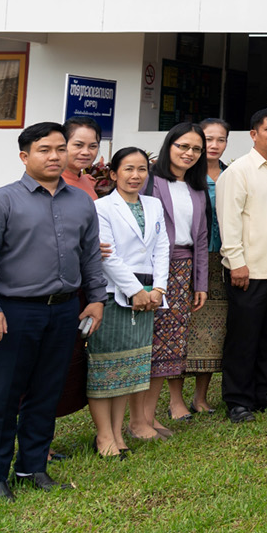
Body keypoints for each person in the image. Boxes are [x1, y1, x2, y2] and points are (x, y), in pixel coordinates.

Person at [0, 123, 105, 497]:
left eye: (60, 148)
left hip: (63, 312)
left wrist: (96, 297)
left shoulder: (80, 201)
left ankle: (32, 468)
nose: (55, 156)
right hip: (12, 312)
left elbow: (90, 253)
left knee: (47, 392)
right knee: (4, 394)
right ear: (25, 156)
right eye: (45, 150)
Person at [217, 107, 267, 423]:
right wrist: (236, 263)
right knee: (243, 338)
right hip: (248, 271)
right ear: (254, 134)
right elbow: (229, 221)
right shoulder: (238, 172)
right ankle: (238, 401)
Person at [88, 147, 170, 453]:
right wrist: (134, 290)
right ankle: (104, 435)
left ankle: (119, 432)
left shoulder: (154, 204)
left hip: (149, 293)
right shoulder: (102, 207)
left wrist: (158, 289)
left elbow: (162, 247)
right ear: (113, 174)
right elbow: (107, 255)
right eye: (128, 169)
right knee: (106, 364)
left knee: (129, 365)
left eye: (142, 170)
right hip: (114, 291)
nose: (136, 176)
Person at [146, 124, 209, 423]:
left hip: (184, 271)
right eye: (183, 146)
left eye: (196, 149)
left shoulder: (196, 188)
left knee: (172, 342)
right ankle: (143, 416)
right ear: (169, 145)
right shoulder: (150, 181)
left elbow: (201, 237)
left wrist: (200, 282)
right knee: (152, 341)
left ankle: (151, 413)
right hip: (153, 271)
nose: (189, 153)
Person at [184, 117, 231, 414]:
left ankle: (201, 397)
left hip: (222, 261)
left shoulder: (231, 173)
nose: (214, 146)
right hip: (188, 259)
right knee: (181, 329)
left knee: (214, 333)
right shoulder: (185, 174)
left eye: (220, 140)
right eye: (208, 139)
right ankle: (176, 399)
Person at [60, 117, 107, 200]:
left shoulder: (90, 182)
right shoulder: (49, 183)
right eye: (78, 145)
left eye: (93, 146)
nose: (86, 152)